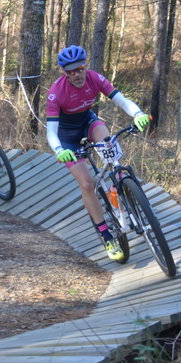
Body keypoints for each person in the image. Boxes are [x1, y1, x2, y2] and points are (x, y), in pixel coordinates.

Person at [45, 45, 150, 261]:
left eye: (79, 69)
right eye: (70, 71)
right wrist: (59, 150)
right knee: (86, 184)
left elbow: (120, 99)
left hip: (88, 122)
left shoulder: (95, 78)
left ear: (85, 66)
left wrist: (137, 113)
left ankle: (120, 184)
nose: (76, 74)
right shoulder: (56, 93)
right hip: (66, 138)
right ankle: (106, 235)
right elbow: (51, 132)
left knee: (111, 149)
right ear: (64, 73)